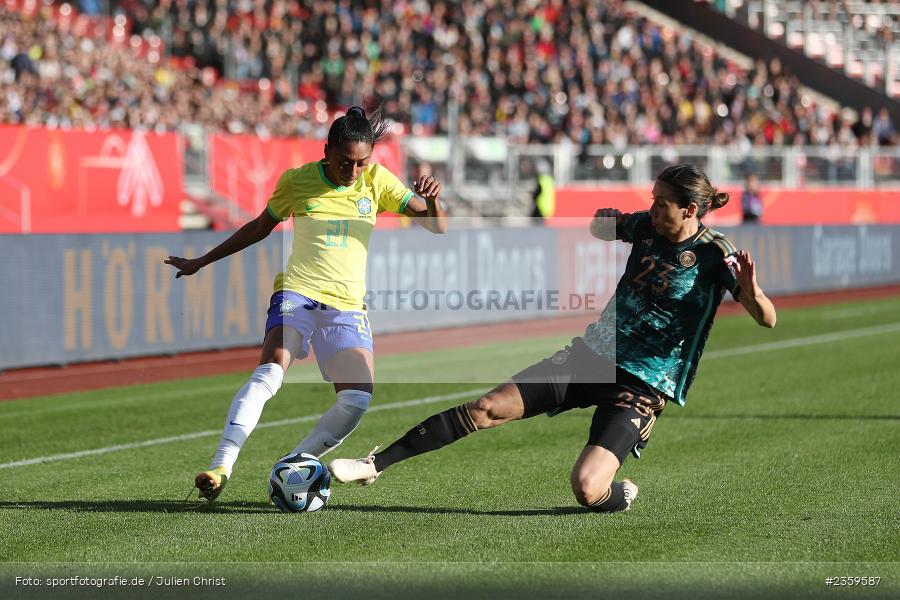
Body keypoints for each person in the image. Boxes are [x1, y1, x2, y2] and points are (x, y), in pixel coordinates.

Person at [329, 164, 776, 513]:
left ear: (690, 210)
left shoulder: (715, 255)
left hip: (643, 384)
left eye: (662, 203)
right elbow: (602, 229)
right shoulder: (645, 226)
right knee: (487, 408)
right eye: (653, 199)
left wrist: (752, 292)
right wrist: (605, 222)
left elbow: (767, 319)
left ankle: (618, 494)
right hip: (592, 356)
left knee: (587, 488)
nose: (653, 208)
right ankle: (374, 465)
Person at [165, 106, 447, 502]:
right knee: (270, 372)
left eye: (362, 162)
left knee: (356, 399)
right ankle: (221, 465)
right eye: (345, 161)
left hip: (346, 307)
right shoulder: (297, 181)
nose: (353, 171)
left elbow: (437, 226)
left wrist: (433, 201)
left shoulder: (378, 181)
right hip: (297, 294)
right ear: (327, 150)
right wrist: (201, 261)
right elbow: (260, 227)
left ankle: (292, 464)